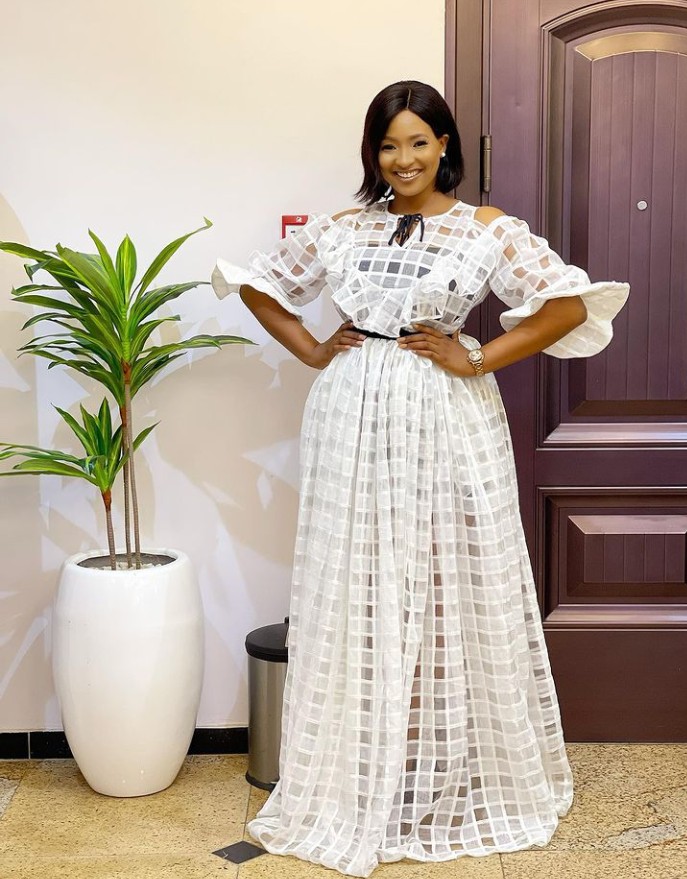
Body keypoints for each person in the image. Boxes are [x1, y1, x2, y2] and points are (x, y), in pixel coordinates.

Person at [212, 80, 629, 878]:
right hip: (349, 414)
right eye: (387, 144)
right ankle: (357, 767)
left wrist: (475, 354)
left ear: (444, 146)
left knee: (448, 574)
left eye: (416, 142)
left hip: (444, 413)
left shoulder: (484, 230)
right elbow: (258, 282)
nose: (402, 159)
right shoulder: (342, 229)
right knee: (356, 575)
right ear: (373, 152)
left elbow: (568, 306)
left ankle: (452, 766)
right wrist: (307, 348)